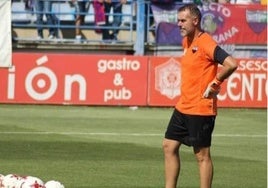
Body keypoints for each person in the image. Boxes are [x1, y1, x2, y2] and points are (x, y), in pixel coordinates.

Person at [162, 4, 237, 188]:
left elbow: (231, 64)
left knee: (202, 156)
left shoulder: (205, 42)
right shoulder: (186, 41)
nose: (179, 24)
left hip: (201, 108)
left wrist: (216, 82)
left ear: (195, 21)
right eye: (177, 20)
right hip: (183, 106)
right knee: (168, 146)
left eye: (183, 20)